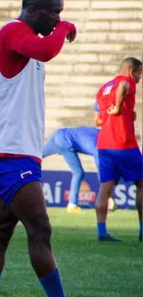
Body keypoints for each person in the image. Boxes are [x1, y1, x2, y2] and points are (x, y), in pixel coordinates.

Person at [0, 0, 76, 297]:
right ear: (33, 9)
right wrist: (65, 28)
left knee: (0, 234)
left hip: (16, 151)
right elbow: (47, 50)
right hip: (11, 152)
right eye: (54, 13)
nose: (58, 19)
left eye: (62, 13)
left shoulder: (24, 40)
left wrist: (58, 28)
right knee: (40, 230)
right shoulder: (12, 31)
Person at [94, 57, 142, 242]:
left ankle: (102, 231)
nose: (140, 78)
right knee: (141, 183)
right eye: (139, 73)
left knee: (105, 188)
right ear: (131, 71)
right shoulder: (126, 81)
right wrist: (119, 108)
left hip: (104, 144)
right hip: (123, 142)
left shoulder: (104, 88)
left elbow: (99, 120)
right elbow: (124, 85)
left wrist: (127, 113)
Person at [42, 126, 100, 213]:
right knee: (78, 173)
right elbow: (100, 163)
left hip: (59, 134)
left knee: (36, 156)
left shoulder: (100, 135)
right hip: (65, 141)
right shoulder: (98, 143)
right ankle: (72, 205)